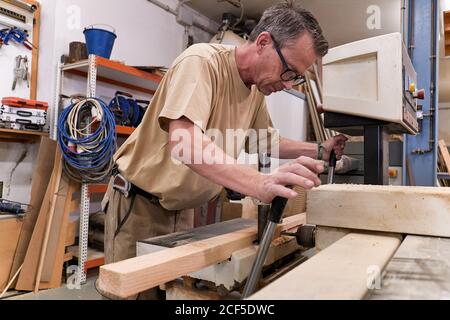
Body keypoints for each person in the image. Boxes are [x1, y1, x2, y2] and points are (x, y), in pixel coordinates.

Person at [100, 2, 346, 298]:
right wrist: (259, 182)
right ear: (263, 42)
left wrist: (321, 148)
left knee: (177, 292)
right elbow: (185, 143)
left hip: (183, 208)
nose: (288, 83)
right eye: (289, 71)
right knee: (134, 292)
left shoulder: (255, 90)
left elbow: (265, 142)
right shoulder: (202, 62)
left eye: (296, 78)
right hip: (140, 203)